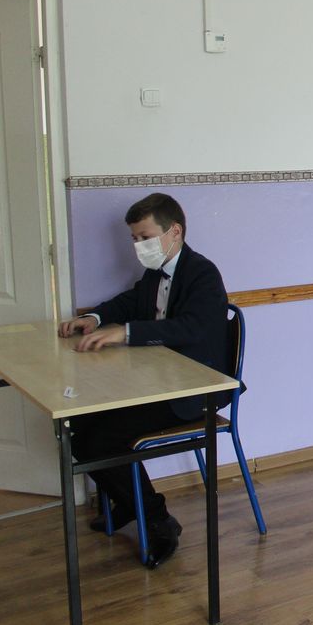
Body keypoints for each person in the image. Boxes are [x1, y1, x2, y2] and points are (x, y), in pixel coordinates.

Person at [57, 193, 231, 568]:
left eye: (145, 237)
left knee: (102, 439)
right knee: (79, 427)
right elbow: (131, 301)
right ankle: (129, 502)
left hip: (194, 391)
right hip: (158, 380)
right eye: (134, 239)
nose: (138, 246)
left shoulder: (203, 274)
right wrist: (96, 318)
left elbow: (191, 327)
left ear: (174, 232)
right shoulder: (155, 272)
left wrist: (125, 333)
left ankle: (157, 520)